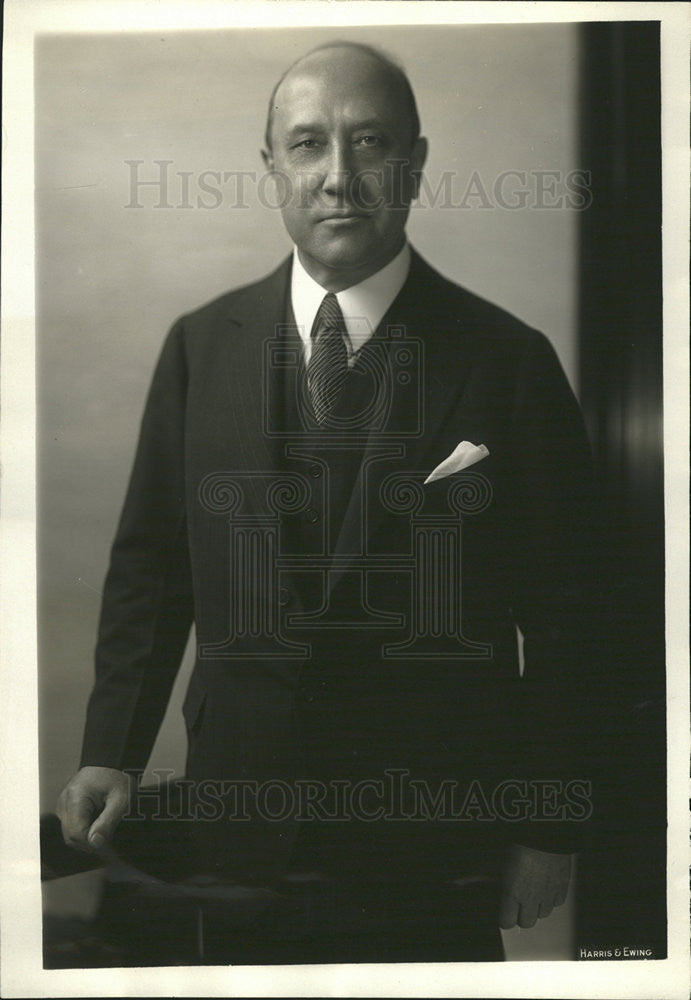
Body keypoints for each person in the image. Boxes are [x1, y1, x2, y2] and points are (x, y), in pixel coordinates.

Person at [56, 41, 597, 962]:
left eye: (370, 142)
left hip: (431, 836)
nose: (339, 177)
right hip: (234, 828)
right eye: (307, 145)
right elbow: (151, 571)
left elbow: (576, 621)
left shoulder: (509, 361)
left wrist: (549, 823)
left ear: (416, 162)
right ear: (270, 167)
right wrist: (114, 748)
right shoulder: (200, 347)